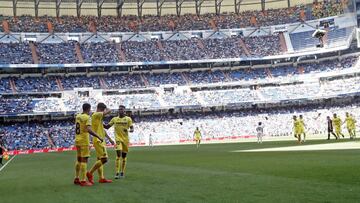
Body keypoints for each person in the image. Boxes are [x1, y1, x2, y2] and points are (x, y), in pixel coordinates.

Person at [73, 103, 103, 187]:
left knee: (79, 159)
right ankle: (83, 180)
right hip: (84, 141)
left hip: (77, 140)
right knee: (84, 160)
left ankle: (76, 178)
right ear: (88, 109)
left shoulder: (78, 116)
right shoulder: (87, 117)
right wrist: (98, 136)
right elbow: (88, 129)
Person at [87, 103, 114, 184]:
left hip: (100, 140)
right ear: (101, 109)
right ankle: (90, 173)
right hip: (99, 141)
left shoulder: (98, 118)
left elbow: (103, 130)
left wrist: (110, 139)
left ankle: (101, 178)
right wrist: (106, 108)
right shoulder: (96, 115)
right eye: (103, 110)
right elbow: (109, 111)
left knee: (99, 160)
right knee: (104, 159)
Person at [104, 105, 134, 179]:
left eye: (122, 109)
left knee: (124, 157)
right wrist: (99, 123)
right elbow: (107, 127)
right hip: (118, 139)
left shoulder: (128, 119)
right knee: (118, 155)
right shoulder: (114, 119)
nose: (120, 110)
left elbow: (132, 129)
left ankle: (122, 172)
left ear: (124, 111)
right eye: (119, 109)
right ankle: (117, 172)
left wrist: (128, 130)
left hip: (125, 140)